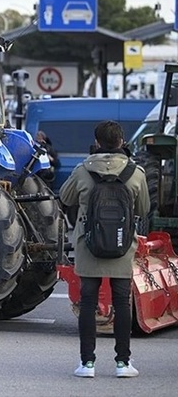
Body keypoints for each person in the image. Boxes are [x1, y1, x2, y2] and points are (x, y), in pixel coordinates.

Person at [59, 120, 149, 379]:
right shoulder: (136, 173)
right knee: (122, 302)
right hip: (122, 245)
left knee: (88, 302)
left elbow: (65, 198)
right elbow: (143, 209)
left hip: (89, 244)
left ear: (96, 143)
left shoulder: (82, 170)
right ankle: (123, 363)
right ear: (121, 142)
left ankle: (87, 364)